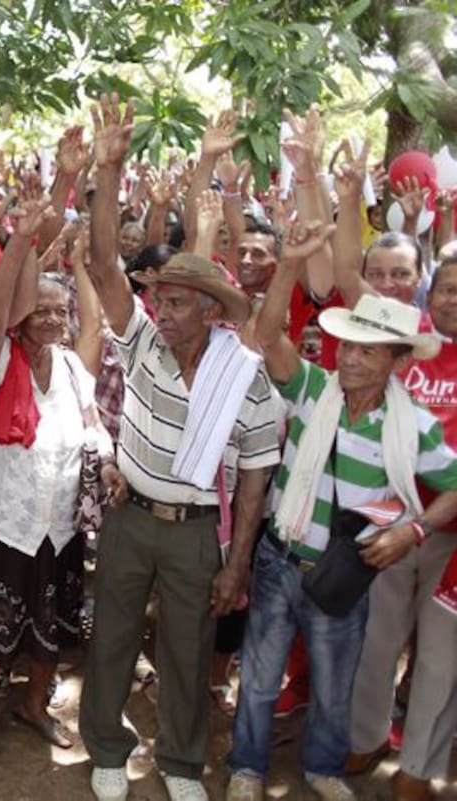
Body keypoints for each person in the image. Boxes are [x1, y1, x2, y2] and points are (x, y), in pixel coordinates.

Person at [78, 95, 280, 801]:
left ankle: (182, 762)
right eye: (159, 298)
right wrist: (108, 167)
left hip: (200, 535)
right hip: (132, 516)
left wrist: (240, 559)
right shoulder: (140, 345)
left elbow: (255, 476)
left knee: (189, 654)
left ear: (211, 312)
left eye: (176, 301)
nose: (161, 308)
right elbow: (104, 264)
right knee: (111, 639)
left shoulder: (244, 378)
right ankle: (107, 746)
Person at [228, 232, 457, 801]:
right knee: (257, 680)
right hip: (281, 561)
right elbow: (265, 334)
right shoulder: (311, 388)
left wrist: (415, 529)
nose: (351, 358)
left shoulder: (414, 427)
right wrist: (292, 266)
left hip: (344, 573)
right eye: (349, 346)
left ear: (398, 361)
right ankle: (246, 769)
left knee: (335, 688)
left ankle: (323, 769)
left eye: (369, 349)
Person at [0, 194, 121, 763]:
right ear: (23, 315)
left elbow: (93, 426)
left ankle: (34, 704)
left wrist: (109, 459)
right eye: (39, 309)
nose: (49, 318)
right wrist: (23, 237)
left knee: (52, 623)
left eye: (57, 310)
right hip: (0, 522)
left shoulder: (71, 367)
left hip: (60, 526)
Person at [344, 253, 457, 801]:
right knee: (376, 640)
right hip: (391, 519)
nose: (453, 299)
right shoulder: (407, 351)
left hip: (452, 537)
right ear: (428, 296)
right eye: (447, 289)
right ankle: (365, 738)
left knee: (441, 656)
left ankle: (417, 767)